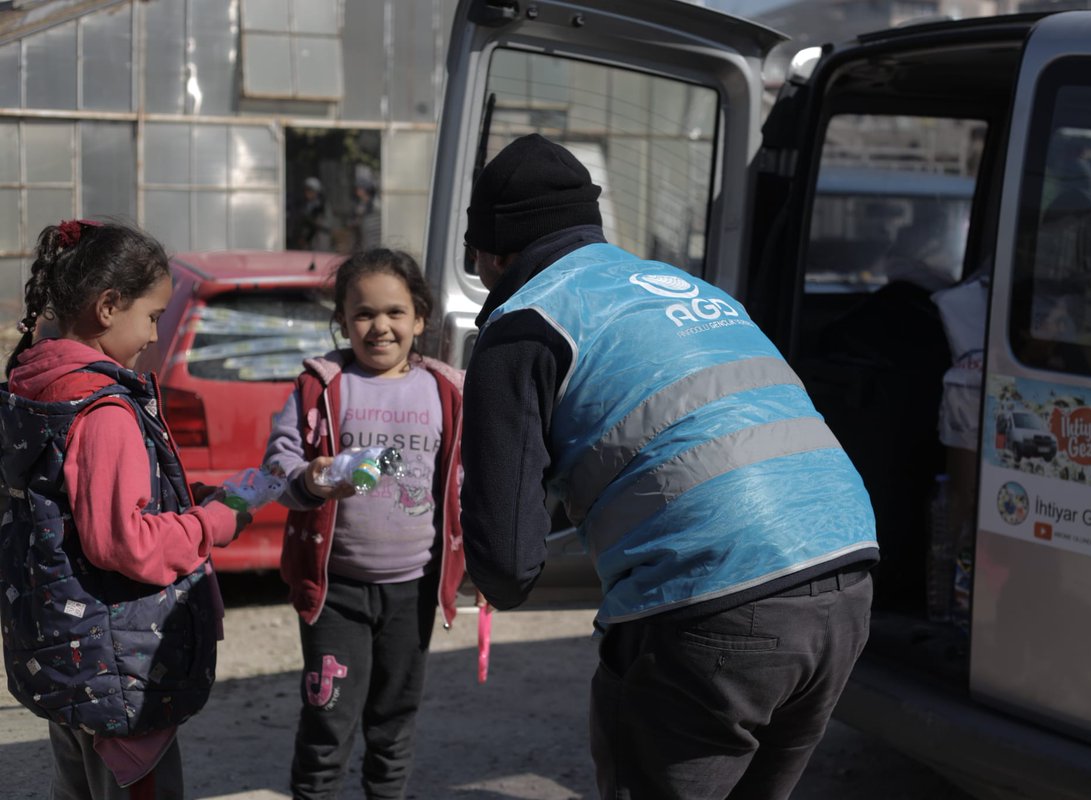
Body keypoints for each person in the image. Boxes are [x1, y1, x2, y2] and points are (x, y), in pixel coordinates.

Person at [459, 134, 879, 799]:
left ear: (492, 252)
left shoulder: (524, 323)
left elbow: (507, 566)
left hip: (717, 598)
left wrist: (483, 565)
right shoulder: (690, 290)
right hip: (846, 576)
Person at [0, 219, 250, 798]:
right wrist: (212, 523)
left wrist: (186, 501)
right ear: (109, 306)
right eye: (153, 317)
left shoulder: (34, 387)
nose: (154, 335)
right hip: (119, 673)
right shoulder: (103, 410)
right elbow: (124, 543)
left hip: (66, 660)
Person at [262, 248, 469, 800]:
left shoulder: (446, 391)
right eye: (364, 313)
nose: (380, 326)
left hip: (413, 590)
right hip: (335, 593)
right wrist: (309, 477)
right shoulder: (322, 387)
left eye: (395, 312)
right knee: (327, 725)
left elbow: (467, 480)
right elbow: (277, 465)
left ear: (420, 319)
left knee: (393, 724)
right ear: (343, 320)